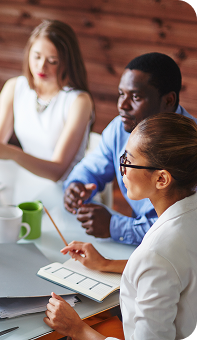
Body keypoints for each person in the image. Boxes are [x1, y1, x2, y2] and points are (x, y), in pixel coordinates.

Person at [46, 112, 197, 339]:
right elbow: (173, 271)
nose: (122, 169)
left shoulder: (157, 253)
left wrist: (77, 329)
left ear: (161, 179)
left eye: (128, 160)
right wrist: (105, 264)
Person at [63, 52, 197, 245]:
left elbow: (181, 230)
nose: (122, 105)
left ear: (168, 100)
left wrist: (115, 226)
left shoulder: (190, 146)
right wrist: (76, 186)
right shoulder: (120, 128)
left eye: (135, 96)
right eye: (121, 94)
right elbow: (91, 167)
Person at [0, 20, 94, 182]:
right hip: (29, 180)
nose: (41, 67)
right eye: (36, 57)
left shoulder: (79, 101)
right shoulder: (15, 87)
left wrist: (12, 153)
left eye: (52, 61)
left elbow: (57, 172)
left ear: (67, 62)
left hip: (68, 189)